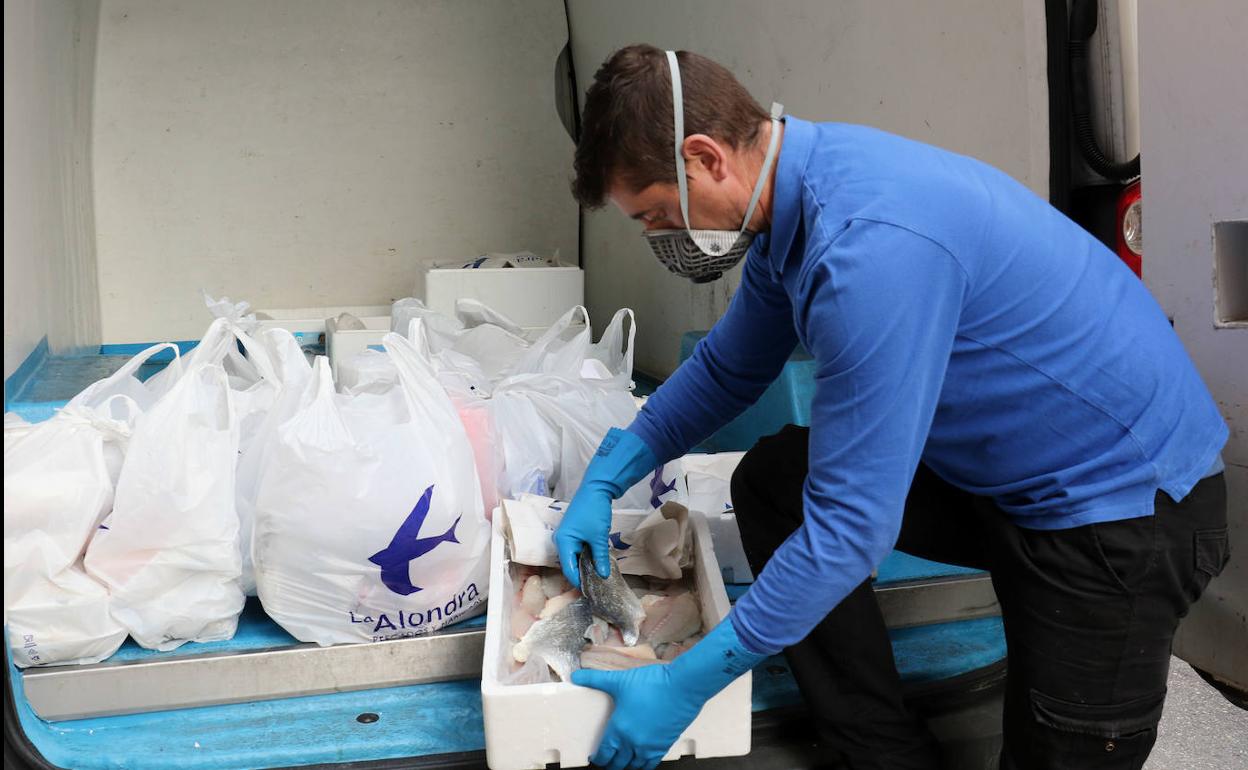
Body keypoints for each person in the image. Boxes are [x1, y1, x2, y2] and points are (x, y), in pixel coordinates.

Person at [553, 44, 1230, 770]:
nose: (661, 238)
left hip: (1121, 514)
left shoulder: (866, 250)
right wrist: (605, 476)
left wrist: (688, 682)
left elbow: (849, 533)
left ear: (706, 157)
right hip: (1011, 480)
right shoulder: (797, 199)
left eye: (656, 214)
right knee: (776, 480)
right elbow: (727, 369)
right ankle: (882, 754)